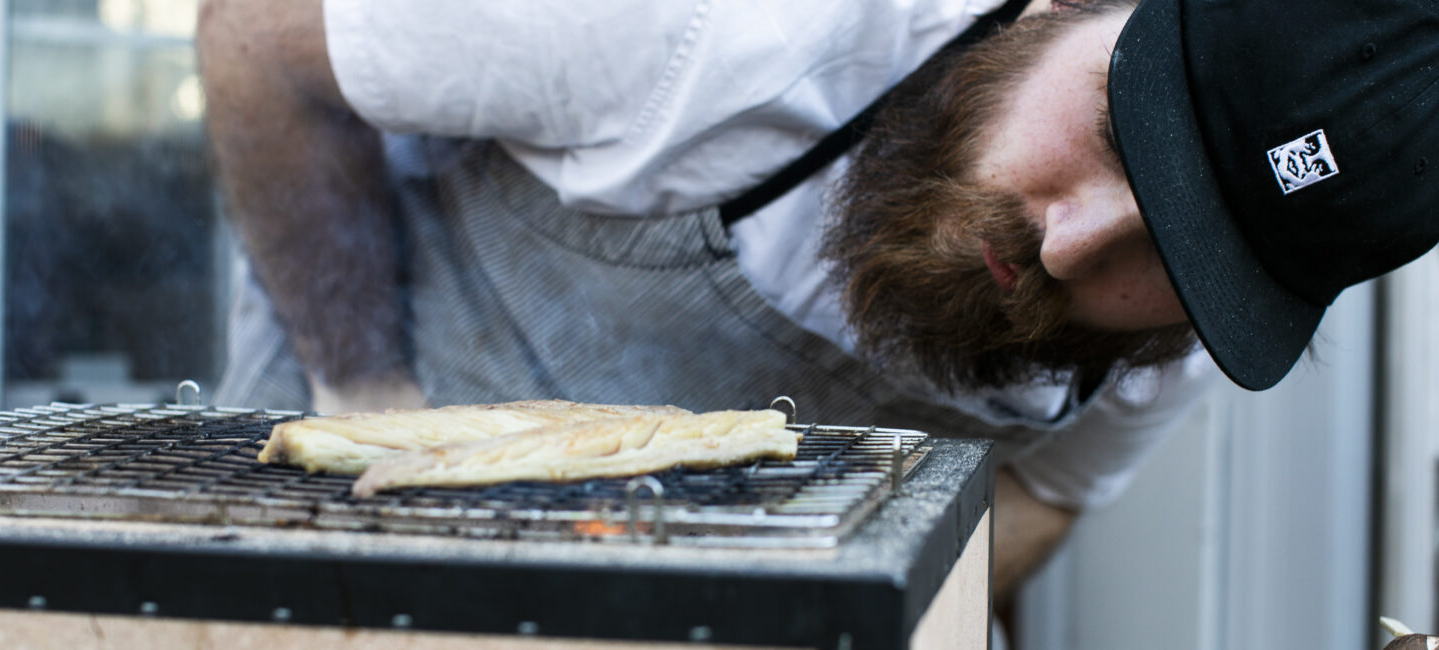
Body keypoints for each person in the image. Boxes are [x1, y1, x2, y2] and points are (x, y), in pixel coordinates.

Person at [194, 0, 1439, 610]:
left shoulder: (1172, 335)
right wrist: (374, 400)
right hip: (355, 490)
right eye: (1119, 135)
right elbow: (256, 42)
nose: (1070, 245)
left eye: (1177, 250)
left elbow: (1044, 497)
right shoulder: (715, 29)